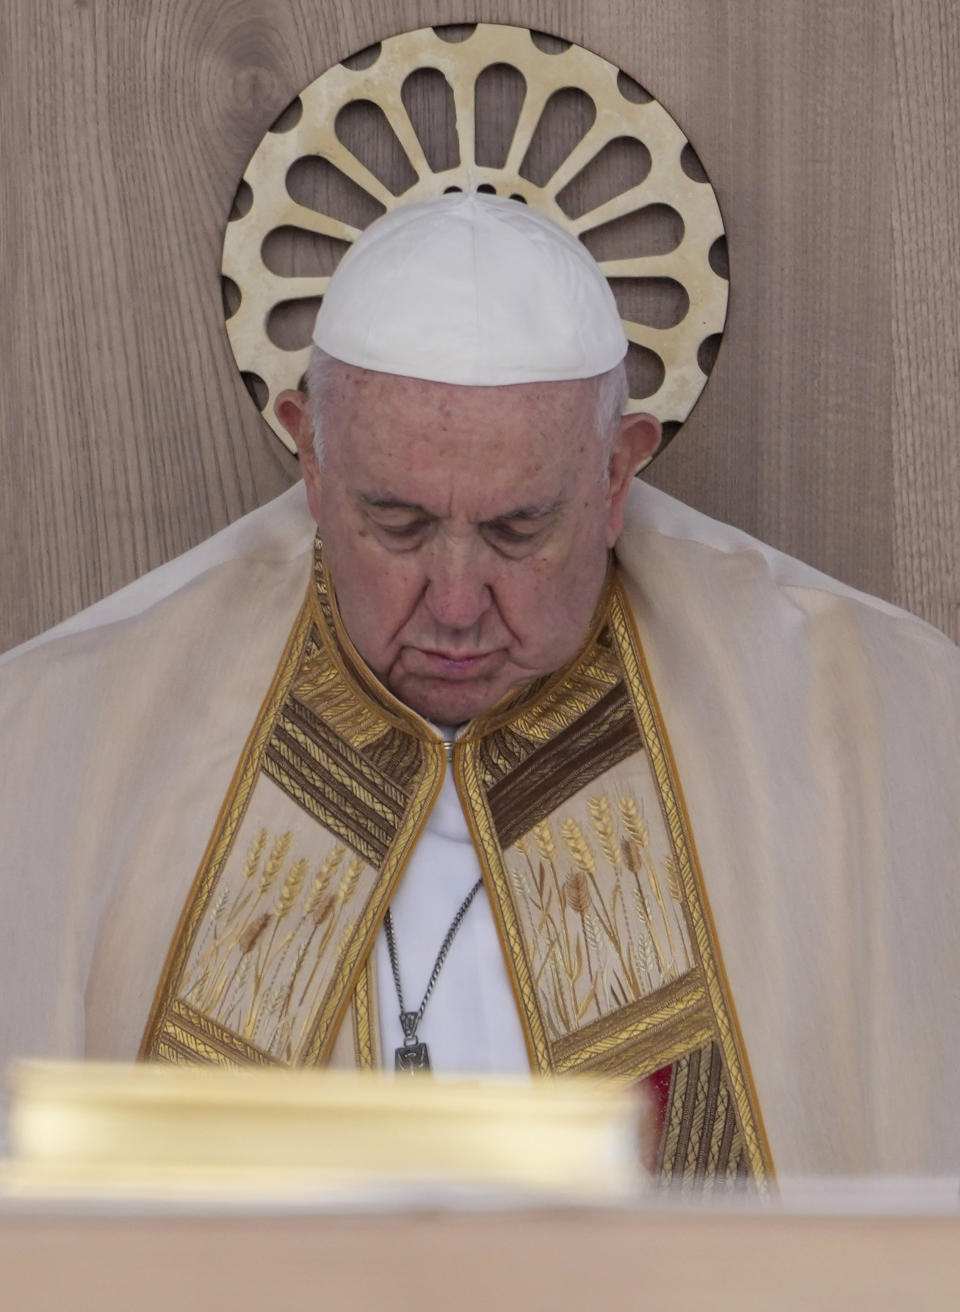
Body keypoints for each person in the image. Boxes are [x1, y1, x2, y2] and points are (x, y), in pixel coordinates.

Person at [1, 193, 958, 1183]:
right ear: (312, 462)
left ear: (617, 475)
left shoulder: (869, 722)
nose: (456, 605)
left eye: (517, 531)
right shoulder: (64, 740)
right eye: (399, 526)